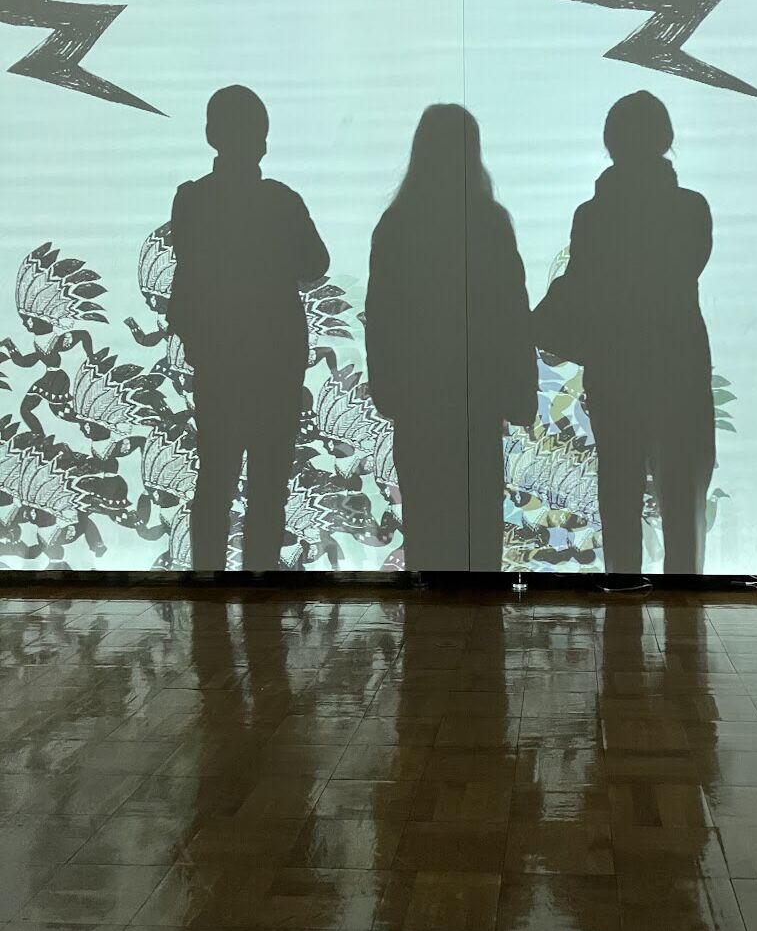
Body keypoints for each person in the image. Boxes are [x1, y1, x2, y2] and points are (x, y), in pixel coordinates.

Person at [534, 91, 715, 586]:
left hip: (616, 366)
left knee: (617, 489)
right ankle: (684, 598)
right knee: (684, 497)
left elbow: (585, 287)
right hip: (679, 365)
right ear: (666, 139)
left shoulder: (592, 216)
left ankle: (622, 591)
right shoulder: (691, 209)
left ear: (610, 143)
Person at [365, 105, 537, 571]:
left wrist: (387, 392)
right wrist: (519, 395)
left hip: (418, 403)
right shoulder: (490, 223)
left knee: (426, 531)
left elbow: (380, 318)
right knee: (478, 535)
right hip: (477, 401)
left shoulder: (396, 225)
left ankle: (427, 618)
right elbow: (512, 314)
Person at [167, 86, 330, 571]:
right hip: (276, 361)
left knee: (214, 479)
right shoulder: (281, 201)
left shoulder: (192, 199)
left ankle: (208, 583)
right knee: (269, 483)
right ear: (262, 141)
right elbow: (316, 263)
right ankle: (261, 582)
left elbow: (187, 279)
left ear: (211, 135)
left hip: (217, 360)